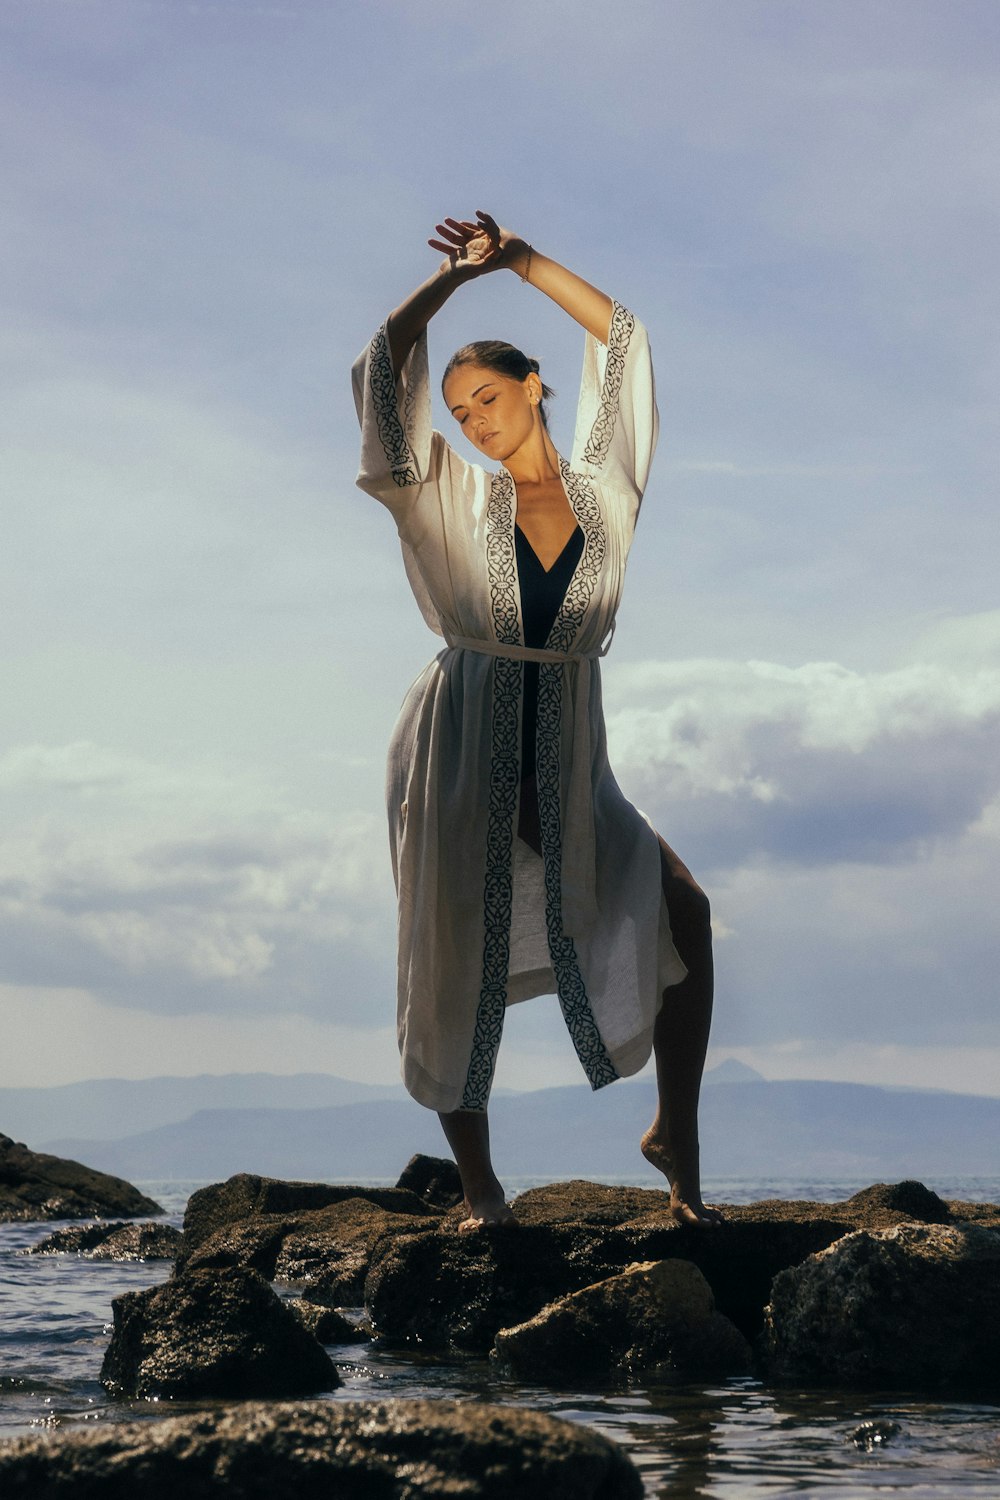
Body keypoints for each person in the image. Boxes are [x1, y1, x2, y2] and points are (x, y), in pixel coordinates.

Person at [352, 211, 722, 1230]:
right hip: (465, 737)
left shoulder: (608, 489)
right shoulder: (442, 493)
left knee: (680, 910)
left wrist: (519, 264)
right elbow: (384, 370)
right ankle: (476, 1186)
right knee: (453, 941)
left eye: (487, 398)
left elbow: (625, 342)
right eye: (459, 408)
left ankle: (674, 1134)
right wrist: (446, 292)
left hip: (566, 740)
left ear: (534, 387)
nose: (471, 419)